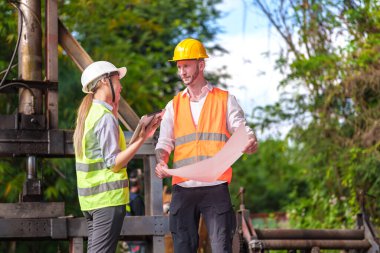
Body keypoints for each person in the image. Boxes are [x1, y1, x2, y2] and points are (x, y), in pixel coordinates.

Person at [155, 38, 258, 253]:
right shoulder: (173, 105)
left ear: (201, 65)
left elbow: (242, 130)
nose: (182, 72)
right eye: (179, 67)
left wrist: (249, 141)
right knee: (183, 248)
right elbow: (164, 143)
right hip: (183, 189)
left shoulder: (224, 99)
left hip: (215, 188)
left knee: (221, 248)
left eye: (187, 65)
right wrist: (161, 161)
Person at [73, 61, 160, 253]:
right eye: (117, 80)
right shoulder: (104, 117)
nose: (121, 85)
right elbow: (114, 163)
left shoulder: (92, 114)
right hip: (107, 201)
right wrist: (144, 137)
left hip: (91, 203)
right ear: (105, 81)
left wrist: (138, 133)